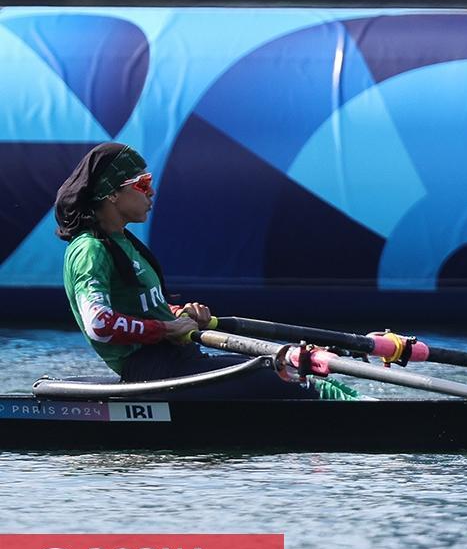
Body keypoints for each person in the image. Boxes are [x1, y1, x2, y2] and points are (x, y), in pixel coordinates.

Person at [54, 142, 350, 400]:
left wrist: (178, 313)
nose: (152, 192)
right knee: (285, 376)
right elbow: (100, 323)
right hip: (153, 371)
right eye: (142, 184)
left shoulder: (122, 241)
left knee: (289, 367)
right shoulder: (90, 250)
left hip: (176, 360)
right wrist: (168, 328)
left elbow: (141, 306)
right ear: (112, 194)